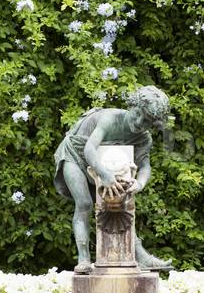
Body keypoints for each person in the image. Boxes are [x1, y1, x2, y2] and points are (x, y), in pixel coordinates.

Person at [53, 86, 174, 274]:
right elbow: (89, 149)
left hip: (104, 163)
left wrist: (139, 183)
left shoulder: (144, 137)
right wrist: (105, 175)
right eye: (138, 114)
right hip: (75, 154)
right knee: (84, 203)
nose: (140, 123)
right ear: (132, 105)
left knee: (122, 203)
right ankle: (83, 258)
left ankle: (141, 257)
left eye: (148, 121)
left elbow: (145, 166)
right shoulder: (110, 119)